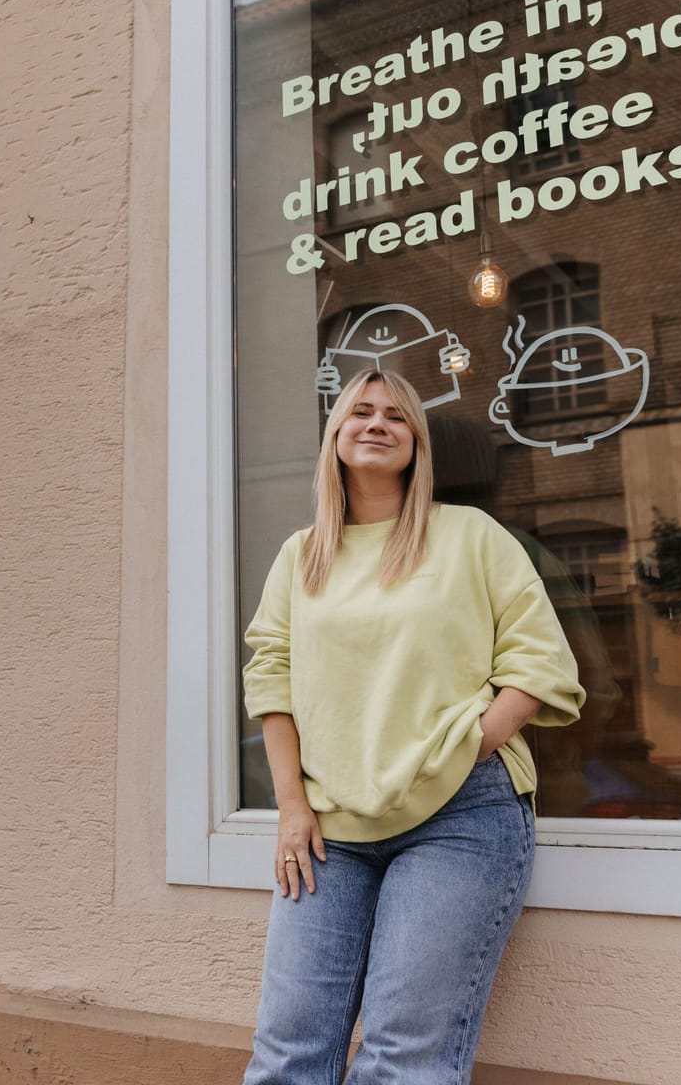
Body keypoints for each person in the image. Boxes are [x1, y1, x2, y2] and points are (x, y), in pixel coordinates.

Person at [239, 367, 585, 1084]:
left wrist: (464, 748)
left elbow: (540, 663)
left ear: (417, 445)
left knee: (403, 1061)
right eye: (359, 412)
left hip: (461, 817)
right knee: (286, 1054)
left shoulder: (471, 537)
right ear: (335, 437)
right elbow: (270, 678)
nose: (376, 424)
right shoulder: (301, 556)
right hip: (329, 828)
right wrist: (291, 806)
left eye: (396, 418)